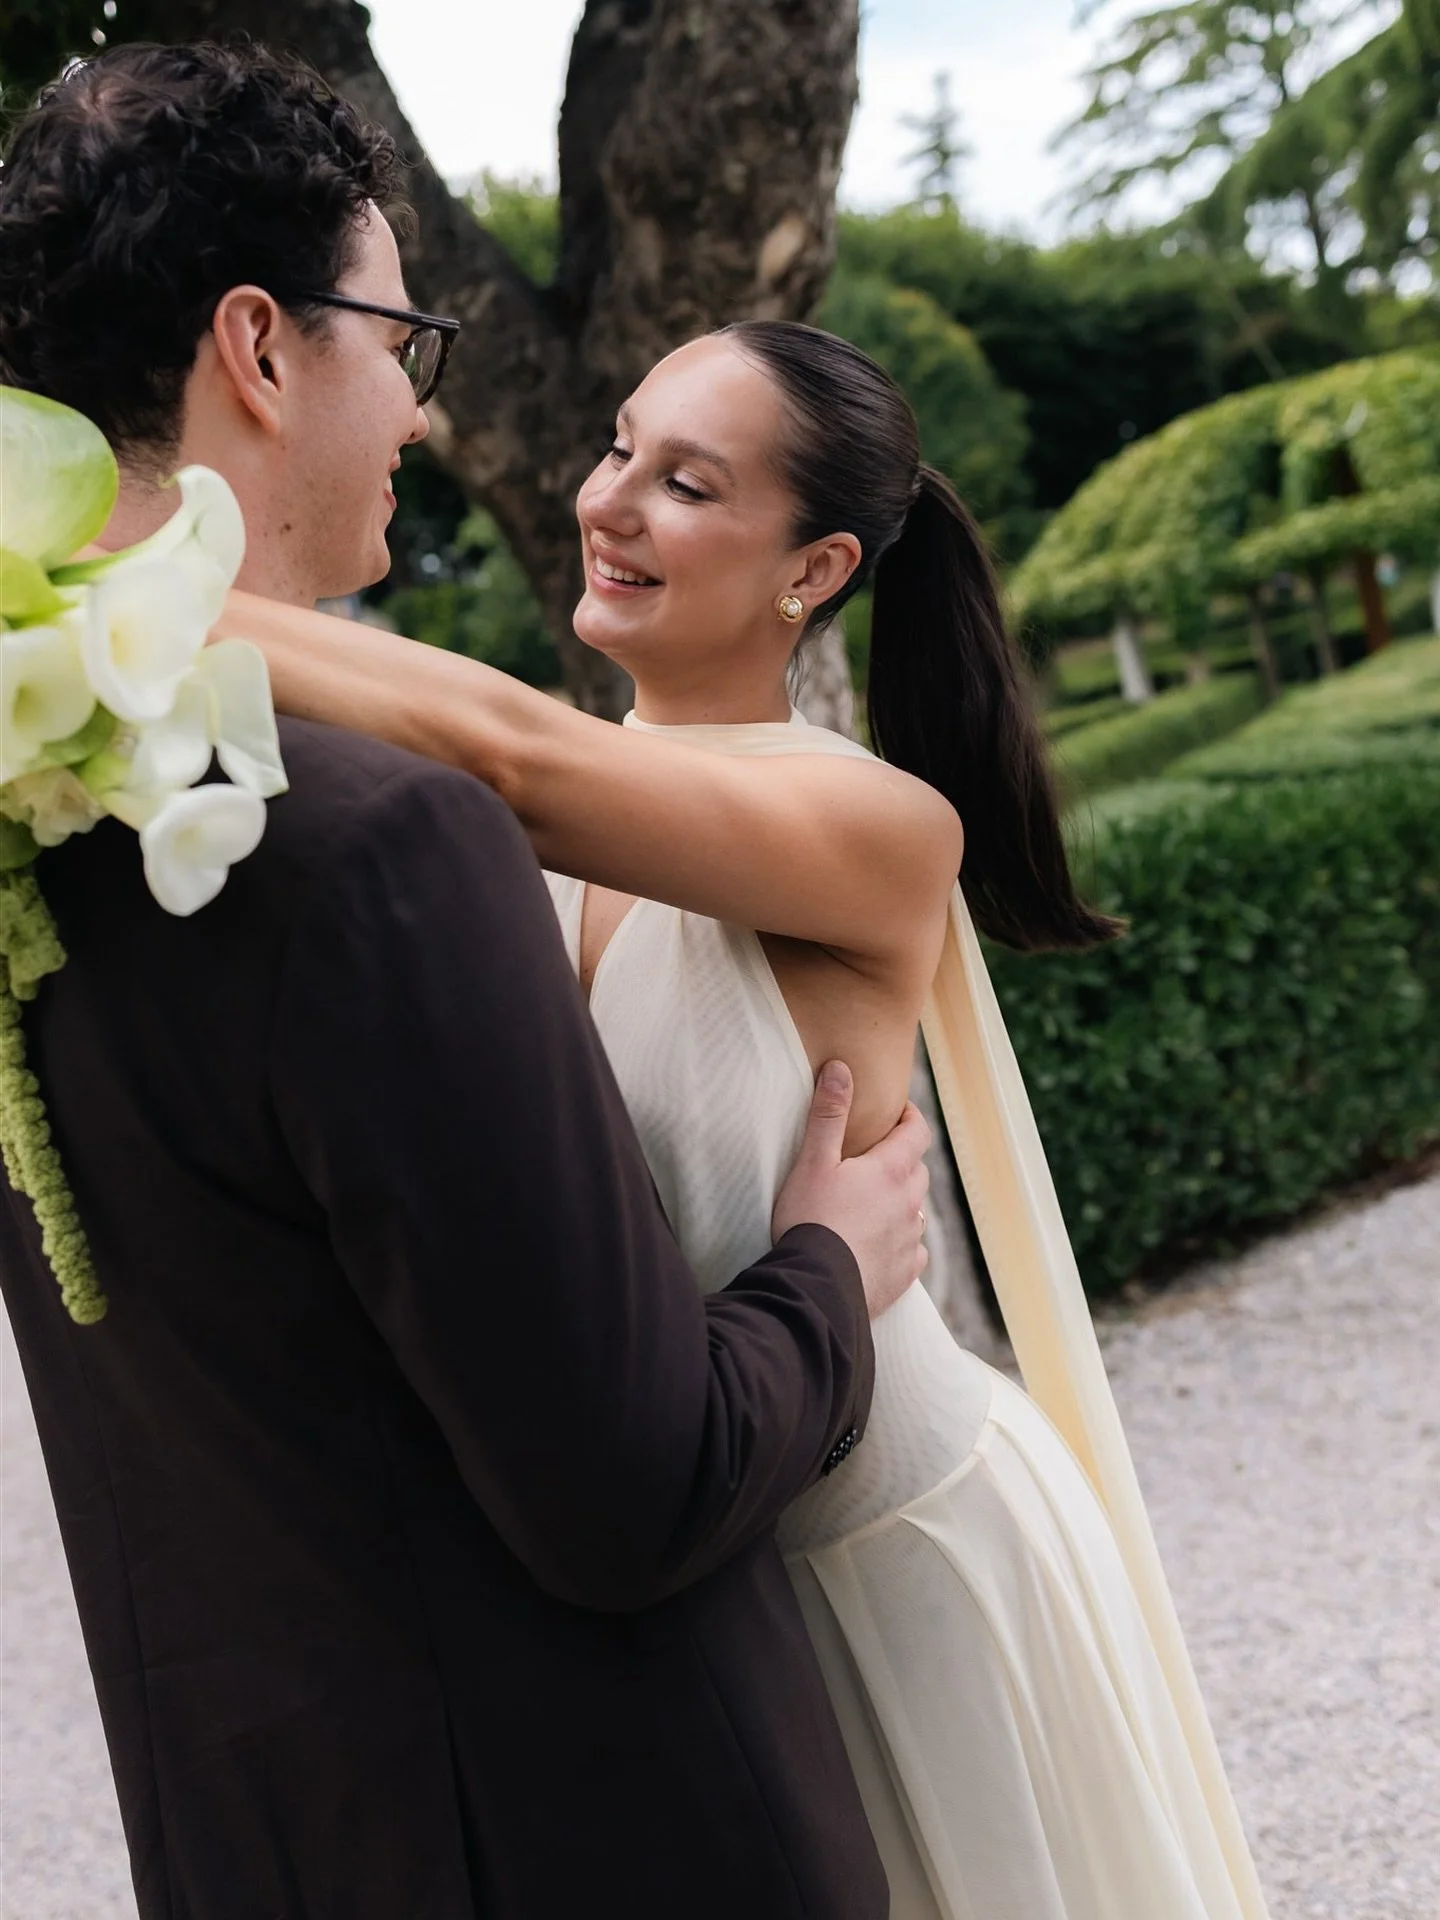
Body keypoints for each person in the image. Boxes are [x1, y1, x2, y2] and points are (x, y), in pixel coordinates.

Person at [0, 44, 940, 1920]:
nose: (423, 418)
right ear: (263, 350)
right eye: (400, 345)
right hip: (595, 1834)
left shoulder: (33, 796)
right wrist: (829, 1264)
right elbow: (634, 1490)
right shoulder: (383, 845)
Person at [228, 314, 1275, 1911]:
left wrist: (102, 598)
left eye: (689, 484)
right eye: (620, 448)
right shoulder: (560, 819)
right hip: (696, 1573)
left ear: (815, 567)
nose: (612, 502)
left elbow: (502, 752)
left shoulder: (864, 819)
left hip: (899, 1561)